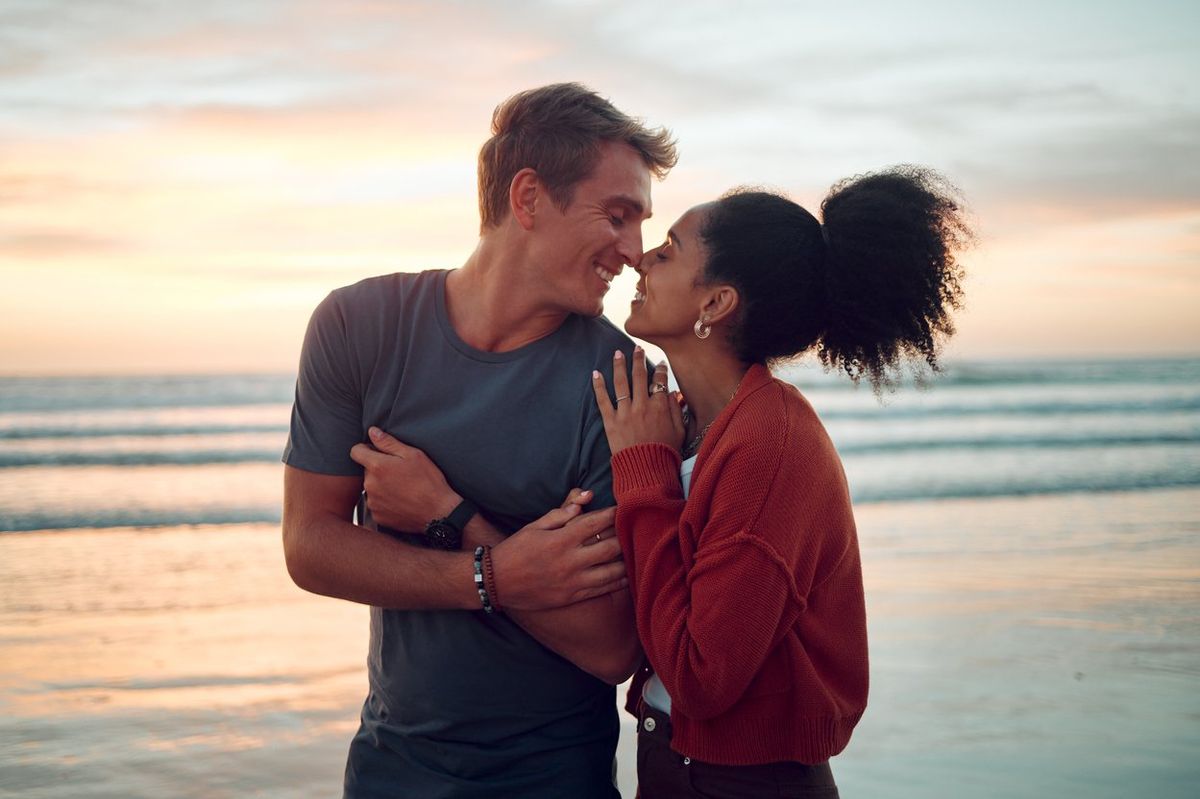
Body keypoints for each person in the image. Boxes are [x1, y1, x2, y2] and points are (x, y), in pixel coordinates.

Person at [281, 83, 677, 798]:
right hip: (388, 770)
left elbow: (613, 644)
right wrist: (494, 576)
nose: (635, 252)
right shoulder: (358, 327)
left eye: (641, 224)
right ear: (528, 198)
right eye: (617, 216)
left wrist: (457, 522)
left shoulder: (625, 383)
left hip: (557, 780)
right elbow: (309, 546)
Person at [589, 167, 971, 797]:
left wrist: (645, 474)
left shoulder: (772, 446)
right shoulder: (688, 424)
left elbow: (701, 675)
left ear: (716, 303)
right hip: (674, 761)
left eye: (671, 250)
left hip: (743, 783)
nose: (643, 258)